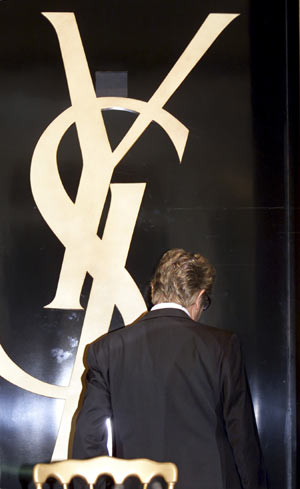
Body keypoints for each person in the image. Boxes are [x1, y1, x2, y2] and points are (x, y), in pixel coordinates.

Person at [72, 248, 267, 489]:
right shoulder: (222, 347)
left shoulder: (106, 350)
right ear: (199, 298)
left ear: (153, 291)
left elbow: (89, 440)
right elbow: (243, 438)